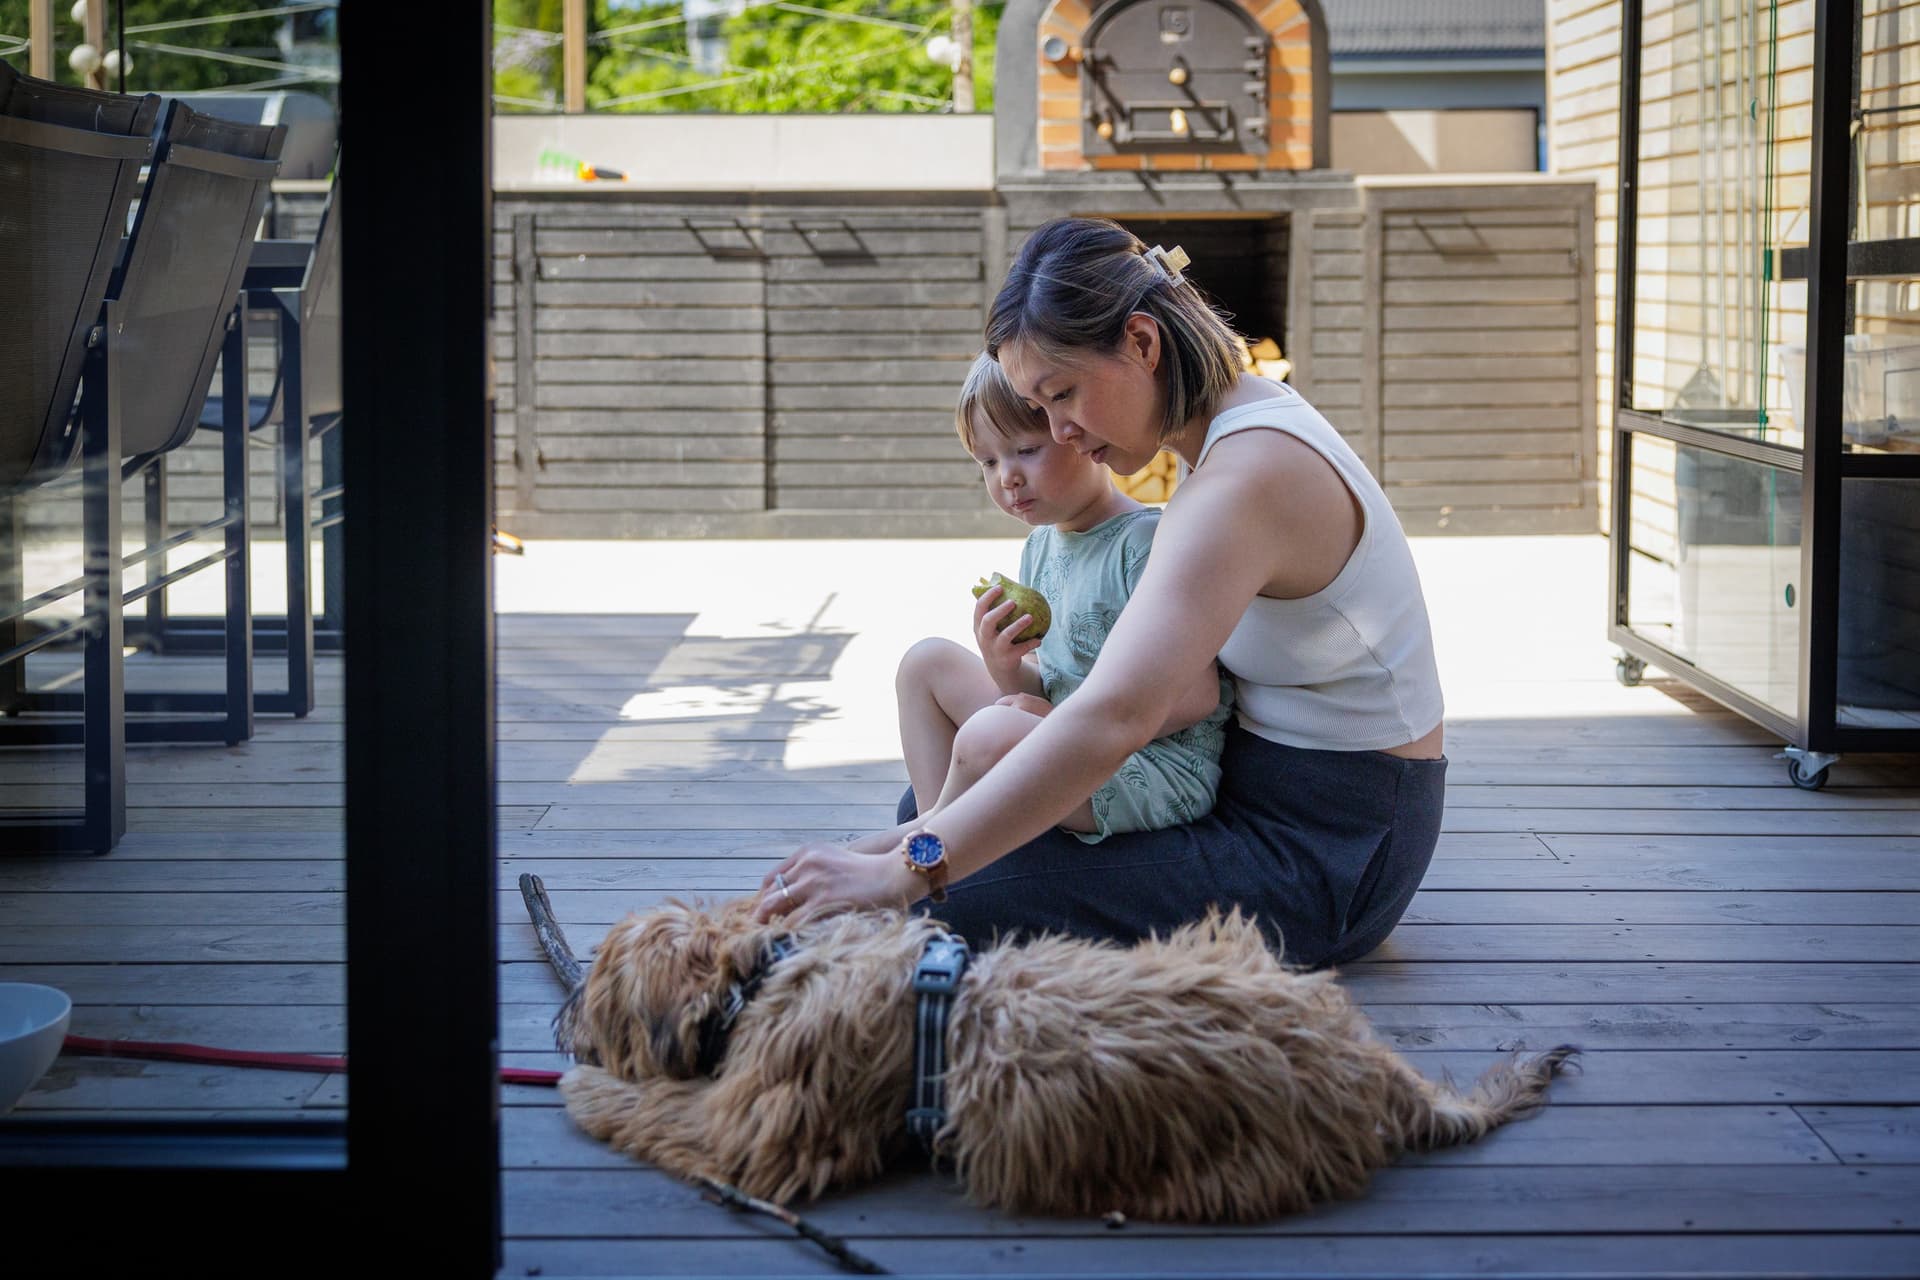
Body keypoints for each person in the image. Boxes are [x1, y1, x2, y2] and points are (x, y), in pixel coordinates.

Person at [756, 217, 1447, 969]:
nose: (1062, 433)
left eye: (1063, 395)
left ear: (1142, 344)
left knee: (957, 879)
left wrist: (895, 873)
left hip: (1327, 854)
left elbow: (1113, 717)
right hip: (1270, 799)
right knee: (956, 820)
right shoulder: (1232, 432)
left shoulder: (1240, 482)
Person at [861, 352, 1231, 859]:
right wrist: (1006, 666)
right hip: (1074, 741)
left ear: (1079, 436)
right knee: (925, 663)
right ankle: (939, 826)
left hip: (1150, 768)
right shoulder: (1042, 546)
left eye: (1026, 450)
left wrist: (1056, 726)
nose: (1006, 477)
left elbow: (1195, 698)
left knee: (991, 731)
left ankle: (927, 840)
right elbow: (1047, 683)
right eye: (988, 462)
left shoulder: (1143, 543)